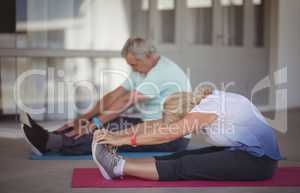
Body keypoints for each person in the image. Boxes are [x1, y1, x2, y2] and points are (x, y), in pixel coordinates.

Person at [20, 37, 192, 155]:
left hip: (173, 137)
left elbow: (126, 101)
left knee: (109, 134)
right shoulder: (142, 68)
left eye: (134, 64)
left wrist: (94, 124)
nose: (132, 69)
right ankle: (51, 135)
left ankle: (49, 143)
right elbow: (115, 95)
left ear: (148, 56)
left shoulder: (163, 71)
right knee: (105, 121)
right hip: (150, 124)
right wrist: (86, 117)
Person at [91, 86, 282, 181]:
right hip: (245, 153)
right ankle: (117, 162)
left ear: (183, 116)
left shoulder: (209, 107)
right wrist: (115, 135)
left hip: (259, 163)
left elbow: (167, 133)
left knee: (186, 165)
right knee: (182, 155)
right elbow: (156, 124)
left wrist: (123, 139)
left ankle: (117, 166)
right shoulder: (202, 103)